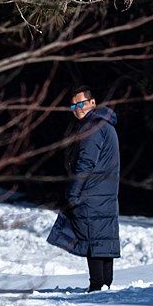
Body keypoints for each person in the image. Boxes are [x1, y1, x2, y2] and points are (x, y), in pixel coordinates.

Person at [46, 86, 121, 291]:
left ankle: (97, 285)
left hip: (92, 193)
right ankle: (104, 283)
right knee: (103, 239)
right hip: (106, 193)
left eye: (81, 103)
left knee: (92, 239)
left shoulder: (92, 128)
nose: (77, 109)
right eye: (74, 105)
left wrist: (73, 192)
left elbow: (86, 163)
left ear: (92, 103)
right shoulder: (106, 125)